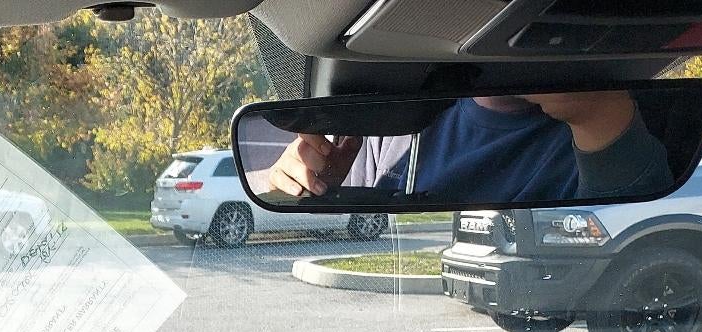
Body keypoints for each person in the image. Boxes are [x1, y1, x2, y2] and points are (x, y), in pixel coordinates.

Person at [267, 91, 672, 205]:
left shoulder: (595, 124)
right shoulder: (392, 125)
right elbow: (358, 234)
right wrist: (309, 184)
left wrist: (599, 112)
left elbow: (629, 232)